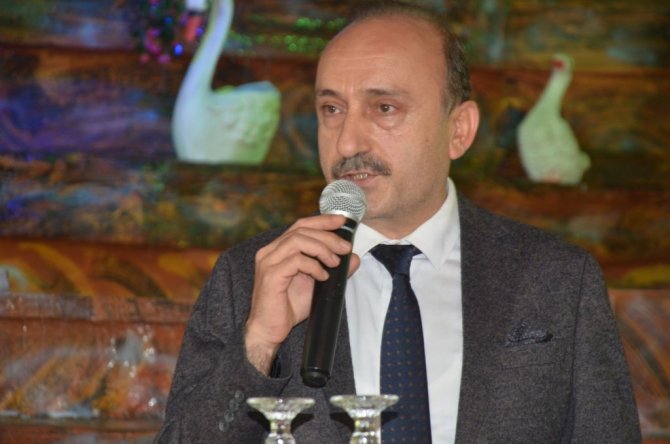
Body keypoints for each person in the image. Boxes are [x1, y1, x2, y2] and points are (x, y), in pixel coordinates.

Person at [155, 2, 641, 442]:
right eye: (331, 109)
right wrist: (259, 345)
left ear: (459, 131)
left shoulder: (558, 279)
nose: (347, 143)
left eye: (384, 108)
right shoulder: (249, 277)